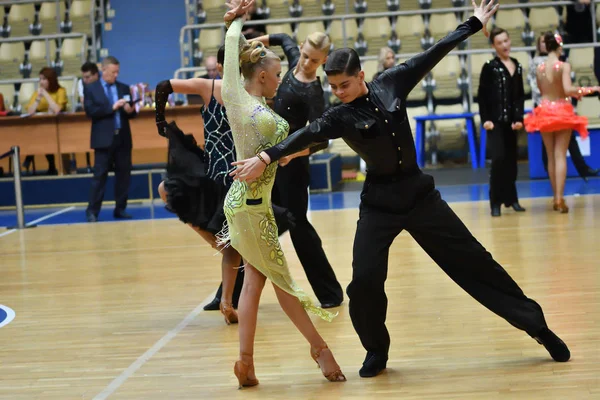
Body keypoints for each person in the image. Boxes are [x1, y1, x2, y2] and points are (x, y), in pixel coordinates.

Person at [230, 0, 571, 379]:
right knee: (364, 282)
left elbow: (434, 52)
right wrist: (266, 158)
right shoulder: (339, 115)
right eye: (333, 86)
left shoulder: (392, 82)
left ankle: (538, 328)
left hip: (420, 195)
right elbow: (306, 134)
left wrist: (473, 23)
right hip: (379, 203)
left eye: (344, 85)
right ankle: (376, 350)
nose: (338, 92)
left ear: (361, 76)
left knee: (476, 262)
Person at [220, 0, 345, 387]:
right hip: (255, 209)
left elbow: (228, 59)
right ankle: (320, 349)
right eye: (275, 75)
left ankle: (246, 363)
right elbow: (287, 151)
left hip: (239, 204)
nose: (280, 80)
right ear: (260, 76)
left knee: (256, 281)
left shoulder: (235, 99)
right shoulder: (271, 121)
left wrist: (234, 24)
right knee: (285, 285)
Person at [250, 30, 344, 308]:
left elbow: (321, 141)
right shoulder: (292, 60)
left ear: (323, 60)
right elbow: (281, 36)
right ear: (301, 48)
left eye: (314, 61)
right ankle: (228, 293)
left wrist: (291, 154)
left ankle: (330, 293)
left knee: (296, 225)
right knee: (258, 225)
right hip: (269, 161)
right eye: (305, 56)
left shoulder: (314, 93)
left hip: (292, 167)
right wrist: (253, 43)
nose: (306, 63)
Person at [524, 32, 600, 213]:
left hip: (544, 110)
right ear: (559, 47)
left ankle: (554, 197)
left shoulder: (539, 68)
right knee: (560, 155)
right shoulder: (563, 66)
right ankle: (559, 197)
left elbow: (542, 91)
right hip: (561, 111)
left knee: (551, 155)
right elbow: (567, 89)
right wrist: (589, 89)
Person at [477, 27, 527, 217]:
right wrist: (486, 119)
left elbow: (519, 96)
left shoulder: (517, 65)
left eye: (506, 40)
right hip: (495, 122)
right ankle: (495, 202)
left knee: (512, 161)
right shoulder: (489, 67)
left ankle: (511, 199)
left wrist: (519, 118)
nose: (505, 45)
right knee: (498, 160)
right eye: (500, 42)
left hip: (512, 123)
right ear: (494, 46)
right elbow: (482, 96)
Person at [84, 56, 136, 222]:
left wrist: (130, 110)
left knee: (123, 176)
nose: (115, 75)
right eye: (113, 72)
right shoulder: (91, 88)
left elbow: (132, 112)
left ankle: (120, 209)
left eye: (117, 72)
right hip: (103, 139)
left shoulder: (124, 88)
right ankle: (92, 211)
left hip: (122, 137)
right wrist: (111, 108)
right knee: (99, 177)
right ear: (103, 70)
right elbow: (90, 111)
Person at [23, 67, 68, 175]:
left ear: (51, 79)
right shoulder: (37, 93)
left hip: (59, 126)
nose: (41, 82)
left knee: (41, 135)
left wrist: (46, 94)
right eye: (40, 79)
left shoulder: (60, 91)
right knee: (39, 134)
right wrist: (38, 98)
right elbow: (30, 111)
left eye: (44, 79)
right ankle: (51, 165)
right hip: (42, 126)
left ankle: (30, 156)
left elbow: (57, 109)